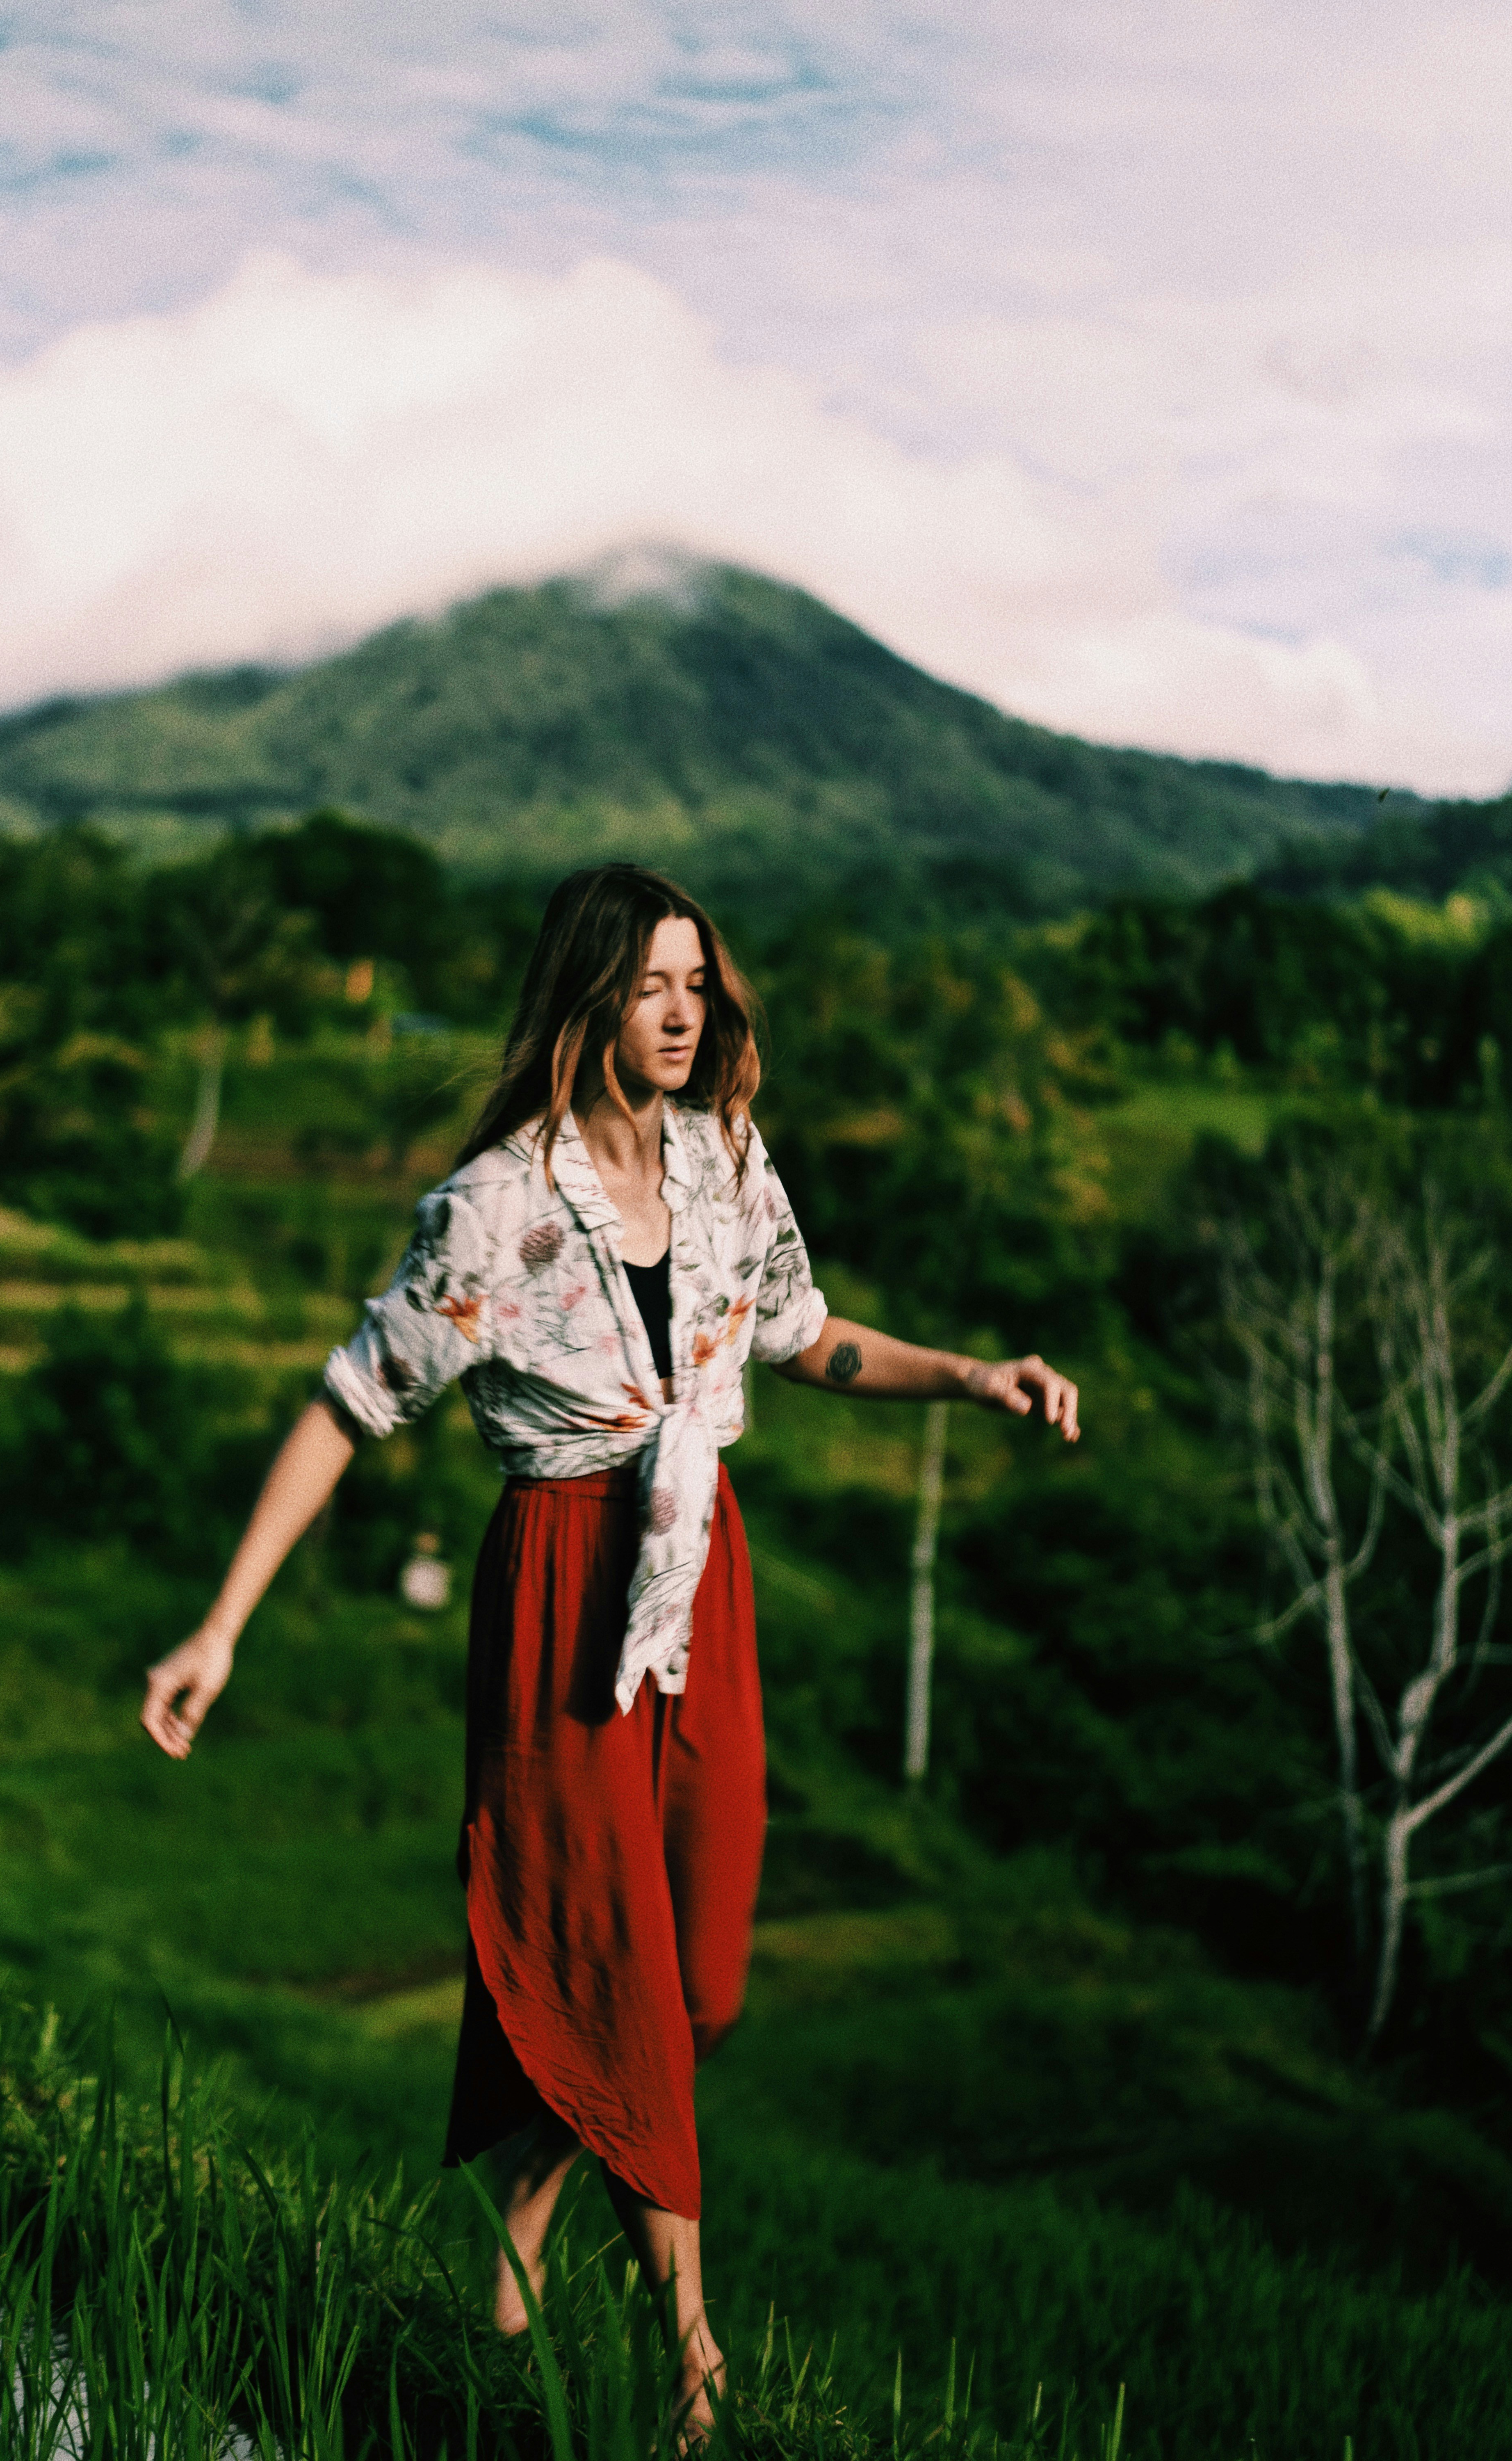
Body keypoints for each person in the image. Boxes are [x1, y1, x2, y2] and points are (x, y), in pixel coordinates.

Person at [140, 863, 1079, 2440]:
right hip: (563, 1585)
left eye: (697, 984)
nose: (680, 1011)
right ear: (587, 995)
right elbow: (350, 1401)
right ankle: (692, 2358)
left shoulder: (725, 1163)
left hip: (702, 1583)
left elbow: (808, 1339)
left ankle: (503, 2249)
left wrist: (976, 1375)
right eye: (650, 983)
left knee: (700, 1976)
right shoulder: (498, 1203)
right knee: (622, 1966)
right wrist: (221, 1626)